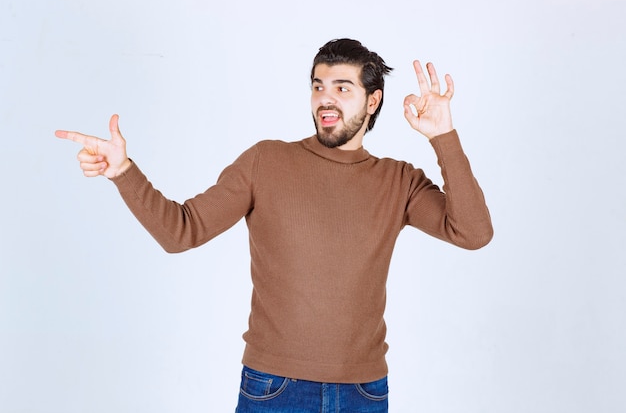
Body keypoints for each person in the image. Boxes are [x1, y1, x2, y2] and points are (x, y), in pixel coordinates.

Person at [55, 38, 493, 412]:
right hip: (274, 388)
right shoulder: (267, 161)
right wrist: (123, 171)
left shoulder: (398, 180)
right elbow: (179, 231)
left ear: (372, 100)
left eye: (343, 88)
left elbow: (473, 232)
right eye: (318, 86)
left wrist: (443, 138)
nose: (326, 98)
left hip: (364, 392)